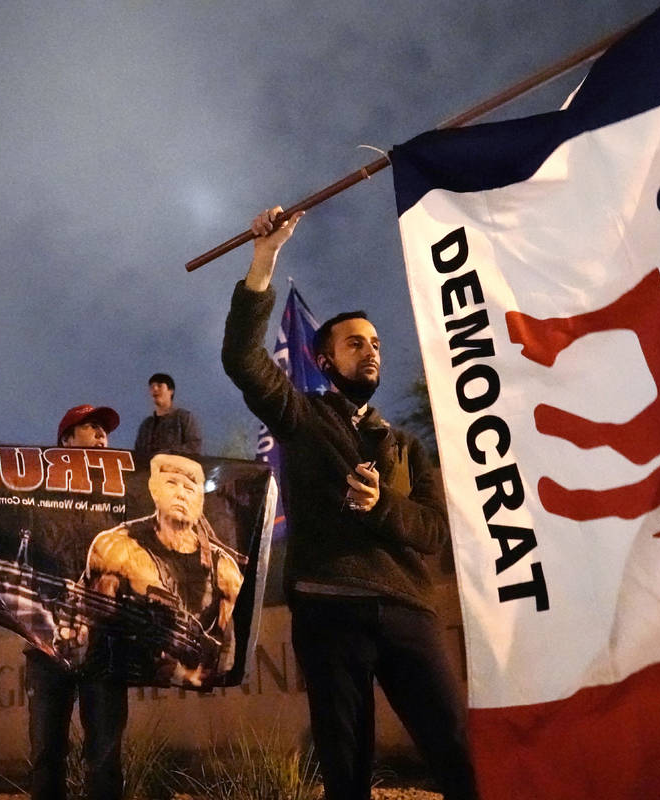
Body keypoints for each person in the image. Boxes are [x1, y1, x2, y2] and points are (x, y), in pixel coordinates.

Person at [221, 207, 478, 800]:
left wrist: (383, 505)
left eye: (376, 343)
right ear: (325, 360)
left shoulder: (407, 447)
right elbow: (242, 359)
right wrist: (265, 259)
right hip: (329, 611)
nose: (371, 351)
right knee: (346, 767)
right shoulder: (302, 418)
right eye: (355, 343)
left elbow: (436, 532)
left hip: (408, 612)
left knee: (458, 753)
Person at [25, 404, 127, 800]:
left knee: (104, 754)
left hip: (104, 647)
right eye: (91, 427)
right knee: (47, 753)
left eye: (105, 429)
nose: (102, 435)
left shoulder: (121, 496)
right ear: (66, 439)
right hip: (46, 644)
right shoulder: (36, 492)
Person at [86, 452, 244, 685]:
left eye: (190, 489)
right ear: (154, 490)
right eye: (171, 483)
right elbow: (93, 621)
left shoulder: (224, 569)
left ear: (200, 501)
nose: (181, 493)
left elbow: (227, 646)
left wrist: (204, 676)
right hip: (126, 675)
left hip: (195, 683)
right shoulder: (117, 546)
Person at [133, 373, 202, 461]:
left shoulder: (184, 417)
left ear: (171, 391)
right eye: (152, 386)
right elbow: (137, 453)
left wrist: (166, 454)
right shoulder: (146, 425)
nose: (154, 389)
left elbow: (194, 446)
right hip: (148, 472)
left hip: (176, 471)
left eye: (159, 385)